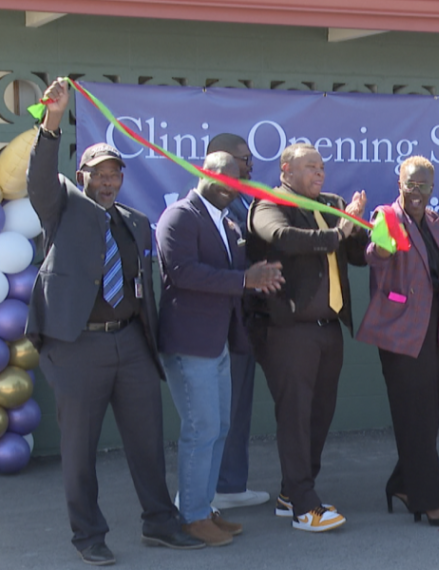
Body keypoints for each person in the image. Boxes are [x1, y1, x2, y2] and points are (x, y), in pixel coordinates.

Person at [26, 79, 202, 566]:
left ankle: (160, 522)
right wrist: (53, 120)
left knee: (148, 441)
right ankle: (88, 535)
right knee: (79, 450)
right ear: (80, 175)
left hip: (130, 344)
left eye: (114, 175)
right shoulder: (62, 209)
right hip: (77, 347)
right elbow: (39, 178)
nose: (107, 182)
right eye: (98, 174)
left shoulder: (135, 222)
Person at [155, 152, 284, 545]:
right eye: (225, 179)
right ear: (204, 174)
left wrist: (258, 278)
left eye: (237, 182)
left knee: (220, 427)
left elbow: (233, 275)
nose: (231, 188)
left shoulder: (226, 222)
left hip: (219, 342)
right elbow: (183, 273)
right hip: (190, 341)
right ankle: (192, 517)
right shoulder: (180, 216)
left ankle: (204, 507)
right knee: (202, 429)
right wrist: (245, 280)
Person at [245, 142, 368, 531]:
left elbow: (356, 253)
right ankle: (304, 506)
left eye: (322, 167)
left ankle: (292, 491)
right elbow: (283, 237)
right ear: (286, 169)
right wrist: (338, 232)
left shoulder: (332, 204)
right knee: (295, 416)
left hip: (329, 328)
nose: (319, 173)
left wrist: (366, 232)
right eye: (310, 166)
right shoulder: (269, 203)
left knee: (319, 414)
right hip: (288, 330)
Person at [357, 156, 439, 527]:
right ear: (399, 183)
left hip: (435, 328)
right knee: (415, 417)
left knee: (429, 415)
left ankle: (403, 483)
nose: (416, 191)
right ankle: (428, 500)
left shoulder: (434, 221)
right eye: (411, 184)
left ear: (433, 188)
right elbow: (375, 256)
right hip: (401, 331)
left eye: (424, 185)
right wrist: (382, 247)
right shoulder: (386, 217)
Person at [205, 133, 272, 510]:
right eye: (245, 160)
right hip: (218, 326)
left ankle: (231, 485)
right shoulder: (207, 208)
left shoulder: (247, 201)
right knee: (216, 413)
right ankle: (204, 492)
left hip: (246, 322)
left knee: (238, 407)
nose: (250, 166)